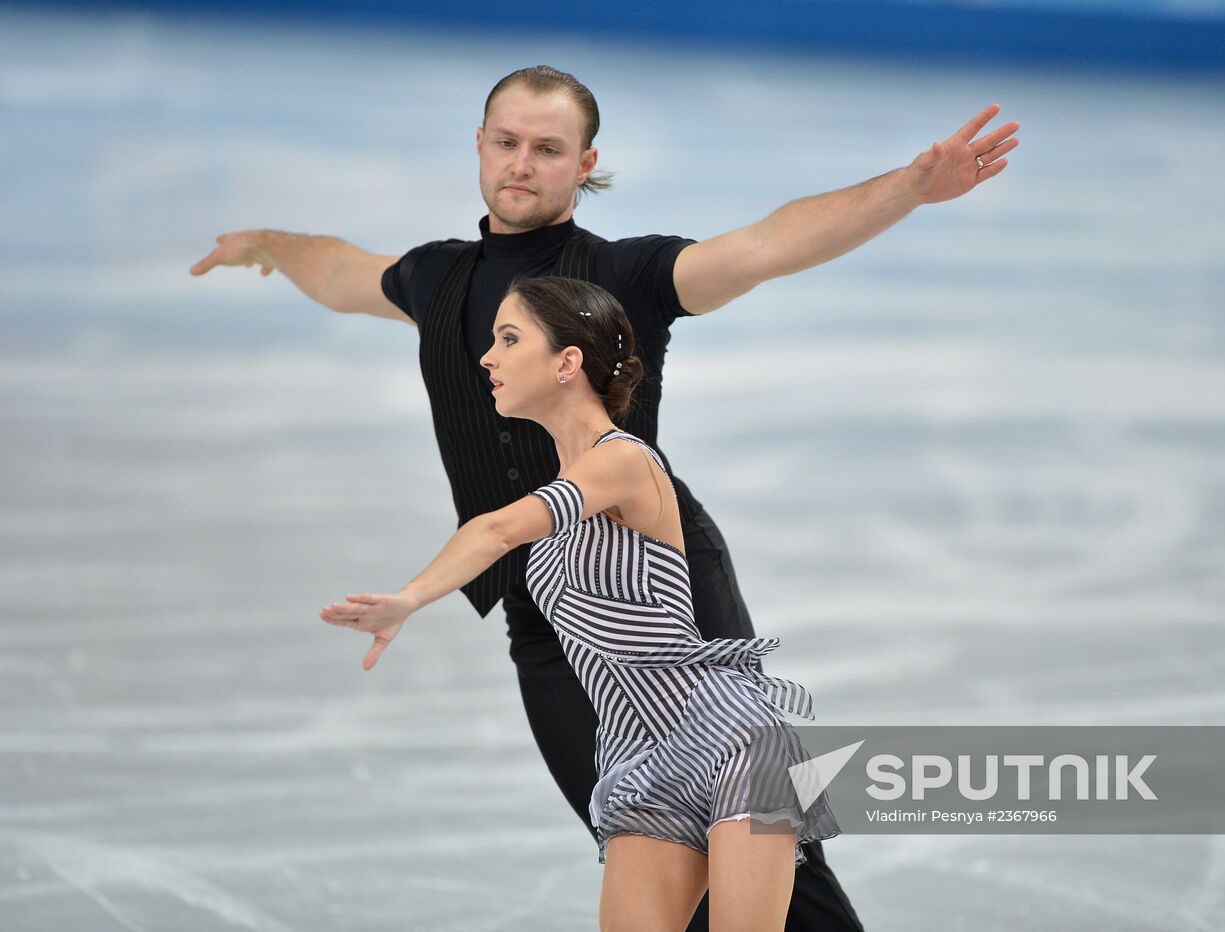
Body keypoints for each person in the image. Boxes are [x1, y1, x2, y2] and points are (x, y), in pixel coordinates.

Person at [190, 64, 1017, 931]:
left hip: (669, 600)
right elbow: (341, 272)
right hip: (546, 611)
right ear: (479, 146)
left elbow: (767, 244)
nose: (521, 163)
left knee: (767, 860)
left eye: (548, 149)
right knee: (641, 834)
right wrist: (266, 243)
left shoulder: (623, 276)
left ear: (586, 164)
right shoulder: (439, 280)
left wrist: (912, 187)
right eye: (506, 142)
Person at [322, 275, 840, 931]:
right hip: (640, 761)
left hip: (733, 742)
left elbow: (496, 530)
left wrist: (409, 599)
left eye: (509, 339)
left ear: (568, 363)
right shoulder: (565, 491)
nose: (488, 357)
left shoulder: (624, 463)